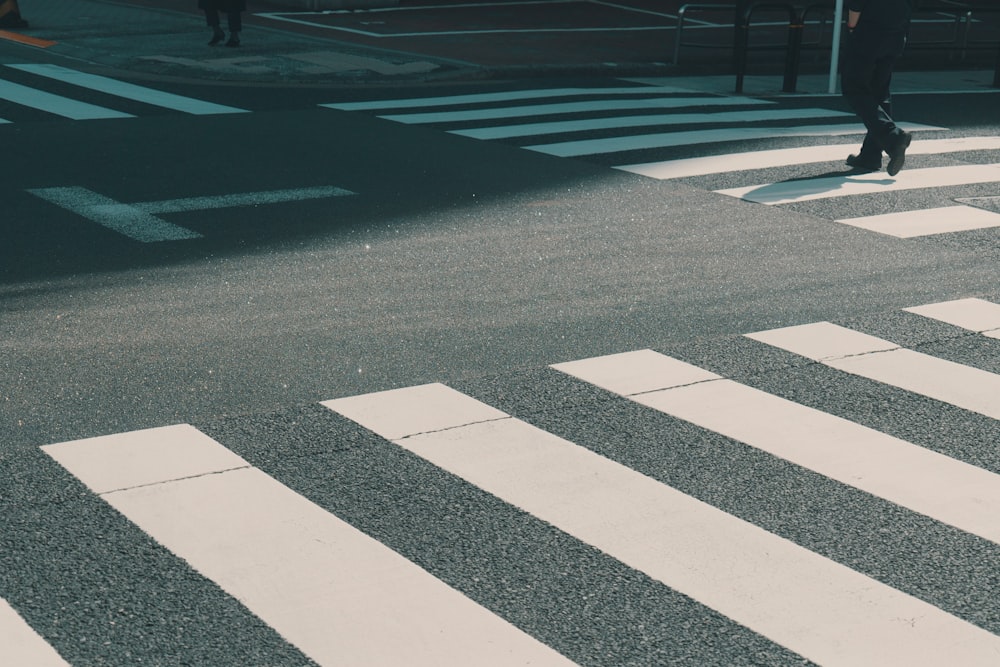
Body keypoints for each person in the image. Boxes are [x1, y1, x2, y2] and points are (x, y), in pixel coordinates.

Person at [841, 0, 914, 176]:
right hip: (895, 33)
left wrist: (851, 27)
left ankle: (893, 137)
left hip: (867, 33)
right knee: (880, 92)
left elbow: (856, 5)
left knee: (854, 89)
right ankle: (871, 154)